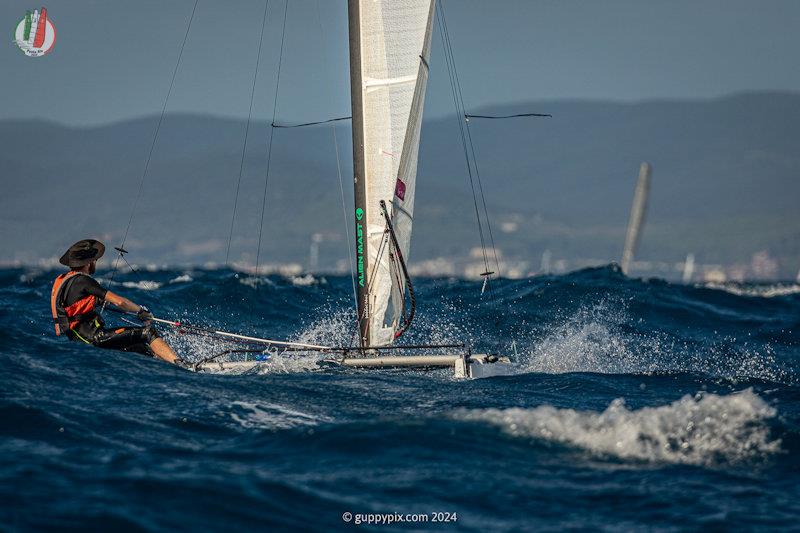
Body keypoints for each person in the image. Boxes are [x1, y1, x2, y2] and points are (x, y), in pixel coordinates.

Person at [50, 239, 188, 368]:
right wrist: (141, 312)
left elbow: (77, 304)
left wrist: (97, 302)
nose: (95, 263)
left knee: (141, 347)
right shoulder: (84, 281)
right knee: (147, 333)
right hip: (93, 338)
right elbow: (120, 301)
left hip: (78, 341)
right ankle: (183, 365)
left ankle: (170, 365)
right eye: (95, 260)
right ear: (88, 263)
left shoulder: (65, 281)